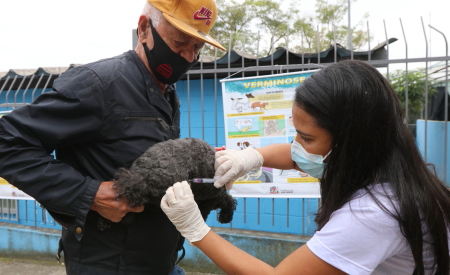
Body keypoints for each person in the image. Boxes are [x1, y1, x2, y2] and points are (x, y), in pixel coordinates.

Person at [161, 60, 450, 275]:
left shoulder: (374, 214)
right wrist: (249, 158)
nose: (296, 145)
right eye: (296, 132)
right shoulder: (389, 167)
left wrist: (196, 230)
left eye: (307, 137)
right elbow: (295, 153)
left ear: (352, 142)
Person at [0, 0, 225, 274]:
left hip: (160, 261)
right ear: (144, 29)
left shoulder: (166, 92)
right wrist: (89, 193)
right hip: (109, 264)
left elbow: (146, 160)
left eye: (197, 47)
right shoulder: (98, 84)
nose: (189, 56)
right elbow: (6, 143)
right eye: (179, 42)